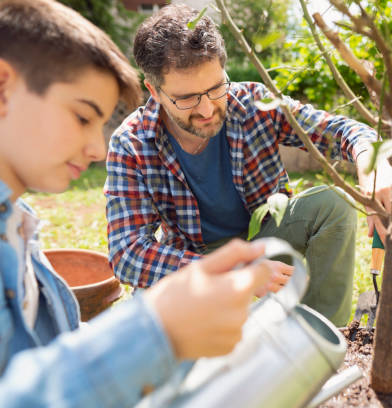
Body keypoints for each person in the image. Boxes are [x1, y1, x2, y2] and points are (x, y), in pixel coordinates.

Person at [0, 0, 277, 405]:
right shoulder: (133, 144)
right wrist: (154, 331)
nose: (97, 148)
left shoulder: (20, 230)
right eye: (82, 117)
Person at [105, 4, 392, 326]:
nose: (206, 109)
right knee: (152, 312)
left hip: (268, 237)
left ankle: (323, 336)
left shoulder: (255, 103)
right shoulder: (131, 143)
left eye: (216, 88)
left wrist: (374, 162)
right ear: (154, 91)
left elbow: (344, 131)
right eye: (186, 98)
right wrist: (235, 272)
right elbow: (127, 254)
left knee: (332, 205)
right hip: (197, 258)